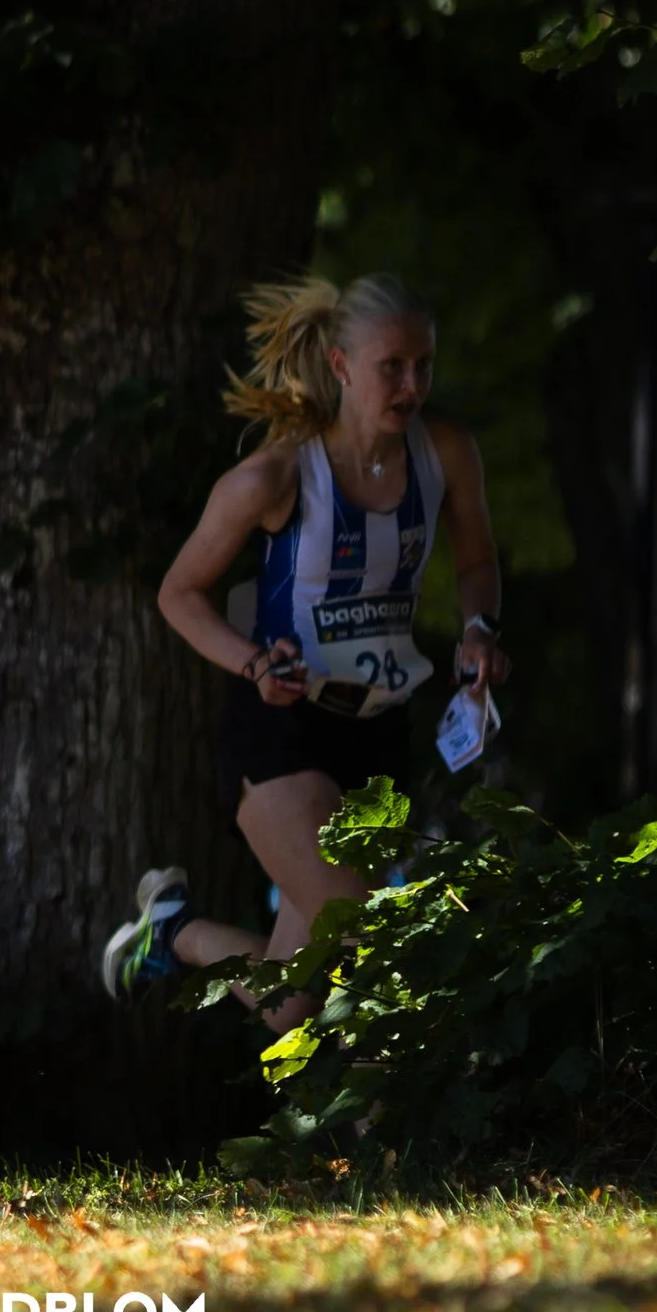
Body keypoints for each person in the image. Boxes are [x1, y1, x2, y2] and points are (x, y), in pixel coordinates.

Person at [101, 273, 510, 1030]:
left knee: (292, 1005)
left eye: (424, 365)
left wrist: (479, 627)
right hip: (281, 733)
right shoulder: (277, 475)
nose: (412, 385)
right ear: (340, 364)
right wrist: (254, 663)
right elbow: (178, 593)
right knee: (371, 945)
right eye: (393, 366)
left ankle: (175, 932)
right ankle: (406, 1111)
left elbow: (477, 561)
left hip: (379, 733)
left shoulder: (447, 453)